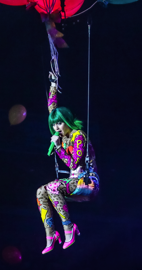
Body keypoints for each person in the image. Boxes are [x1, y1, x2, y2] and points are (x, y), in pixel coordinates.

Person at [36, 73, 99, 253]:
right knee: (41, 192)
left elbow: (74, 164)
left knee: (52, 187)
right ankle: (51, 234)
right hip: (74, 183)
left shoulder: (79, 136)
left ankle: (69, 227)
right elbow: (52, 109)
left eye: (59, 123)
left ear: (67, 121)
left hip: (87, 183)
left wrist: (58, 148)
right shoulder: (63, 137)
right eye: (54, 125)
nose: (56, 127)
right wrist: (53, 85)